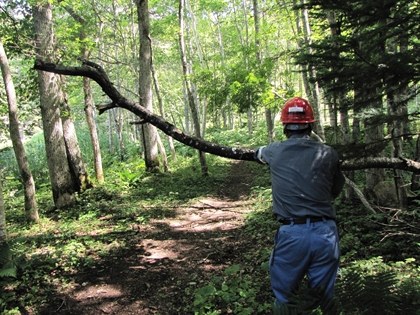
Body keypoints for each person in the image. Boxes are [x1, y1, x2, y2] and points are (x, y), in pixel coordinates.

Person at [254, 97, 345, 312]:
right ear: (310, 125)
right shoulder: (329, 153)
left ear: (285, 127)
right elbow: (335, 190)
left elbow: (258, 153)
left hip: (292, 233)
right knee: (324, 296)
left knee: (285, 297)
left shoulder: (273, 151)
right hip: (325, 234)